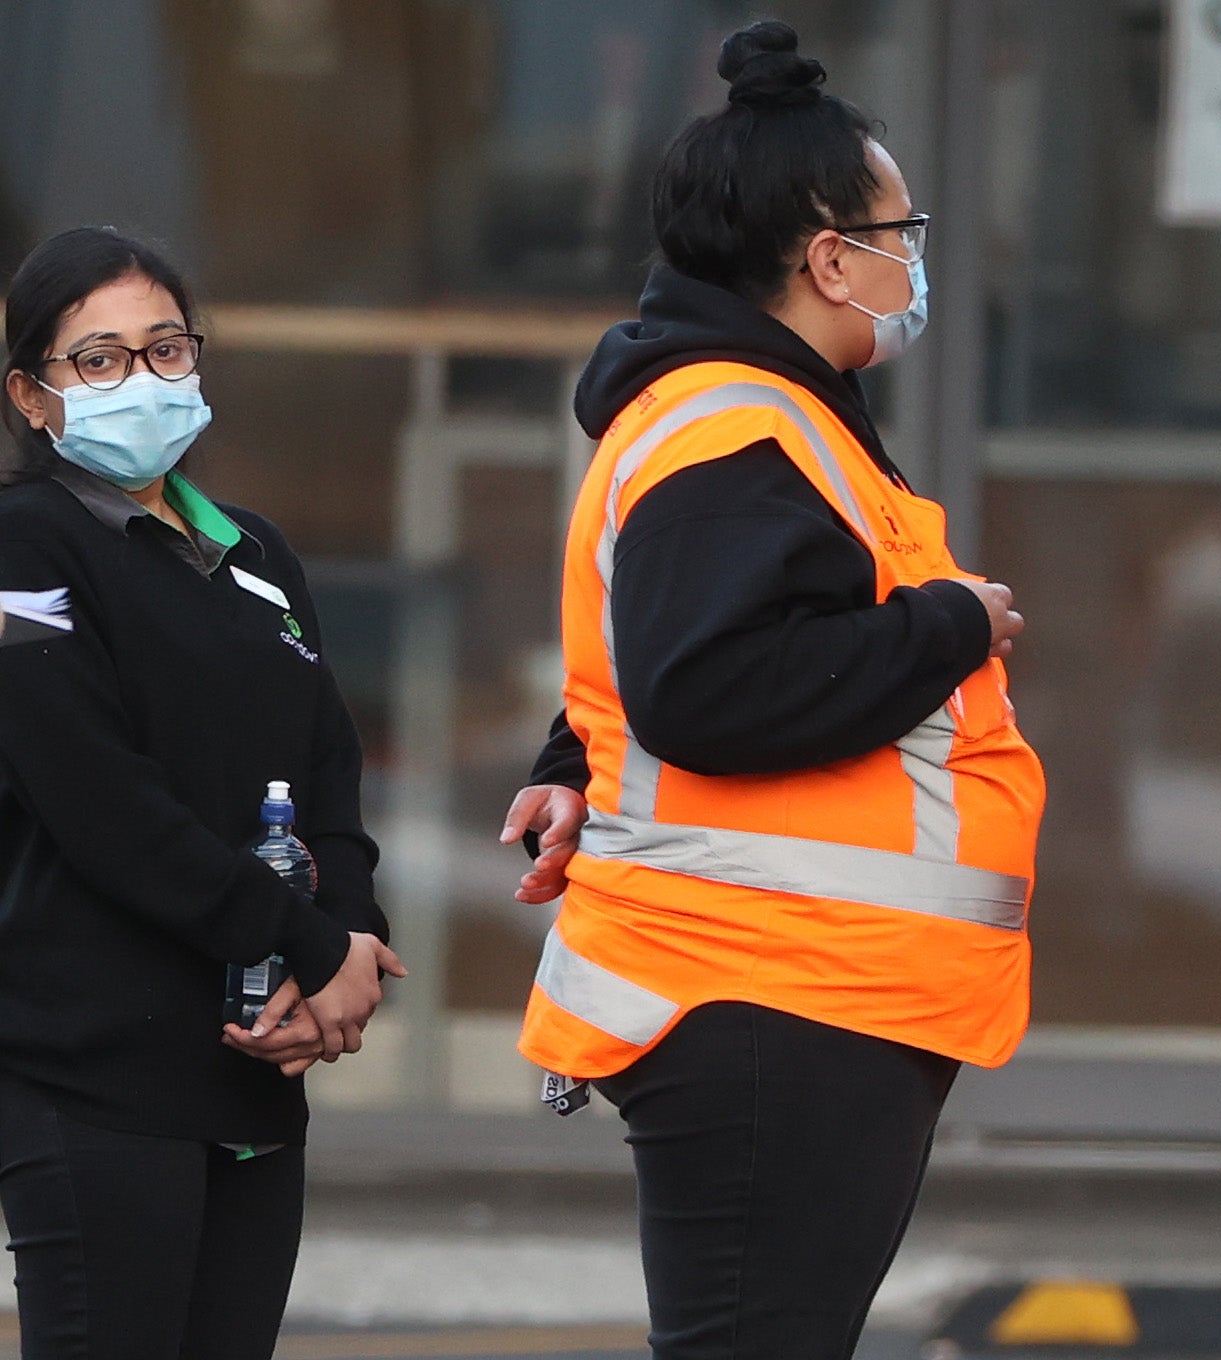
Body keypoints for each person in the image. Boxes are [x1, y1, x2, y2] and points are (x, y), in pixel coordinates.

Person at [497, 22, 1045, 1360]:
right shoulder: (738, 422)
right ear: (823, 257)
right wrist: (942, 624)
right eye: (895, 230)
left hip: (804, 991)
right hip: (768, 995)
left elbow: (673, 648)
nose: (910, 259)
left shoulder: (763, 410)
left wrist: (571, 758)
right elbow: (711, 685)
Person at [0, 227, 405, 1359]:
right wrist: (311, 948)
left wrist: (351, 936)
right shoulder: (21, 552)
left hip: (252, 1070)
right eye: (99, 358)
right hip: (92, 1073)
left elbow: (328, 768)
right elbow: (103, 808)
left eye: (166, 347)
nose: (142, 377)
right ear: (32, 398)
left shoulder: (255, 552)